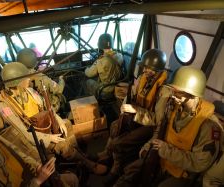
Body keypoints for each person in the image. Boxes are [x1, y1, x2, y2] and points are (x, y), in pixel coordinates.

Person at [114, 66, 222, 187]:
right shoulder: (172, 107)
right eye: (173, 91)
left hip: (182, 172)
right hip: (162, 159)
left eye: (179, 93)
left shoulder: (209, 126)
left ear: (193, 95)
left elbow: (200, 163)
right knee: (131, 171)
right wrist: (148, 147)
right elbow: (160, 130)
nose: (173, 96)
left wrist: (165, 150)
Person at [0, 62, 107, 176]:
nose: (29, 79)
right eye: (26, 77)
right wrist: (49, 137)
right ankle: (88, 164)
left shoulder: (30, 92)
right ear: (17, 82)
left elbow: (48, 108)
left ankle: (80, 155)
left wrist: (59, 121)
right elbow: (24, 133)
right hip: (34, 139)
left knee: (67, 124)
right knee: (62, 145)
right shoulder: (5, 106)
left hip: (44, 126)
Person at [96, 49, 168, 185]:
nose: (145, 70)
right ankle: (106, 154)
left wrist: (135, 111)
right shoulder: (142, 78)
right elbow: (132, 95)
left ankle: (115, 170)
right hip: (137, 118)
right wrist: (124, 107)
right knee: (114, 126)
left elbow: (156, 120)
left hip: (149, 126)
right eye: (144, 67)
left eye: (149, 68)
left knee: (120, 143)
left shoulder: (163, 91)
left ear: (157, 70)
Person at [0, 97, 79, 187]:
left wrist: (37, 167)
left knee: (72, 179)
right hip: (32, 182)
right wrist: (38, 180)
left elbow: (16, 152)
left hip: (28, 178)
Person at [17, 48, 65, 113]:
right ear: (34, 61)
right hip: (44, 110)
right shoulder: (41, 78)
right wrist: (61, 80)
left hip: (29, 109)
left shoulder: (14, 77)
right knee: (59, 97)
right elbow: (59, 90)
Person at [85, 33, 123, 99]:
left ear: (100, 45)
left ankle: (94, 100)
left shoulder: (100, 61)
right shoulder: (120, 56)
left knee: (88, 81)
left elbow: (89, 74)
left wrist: (86, 69)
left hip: (106, 91)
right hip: (117, 88)